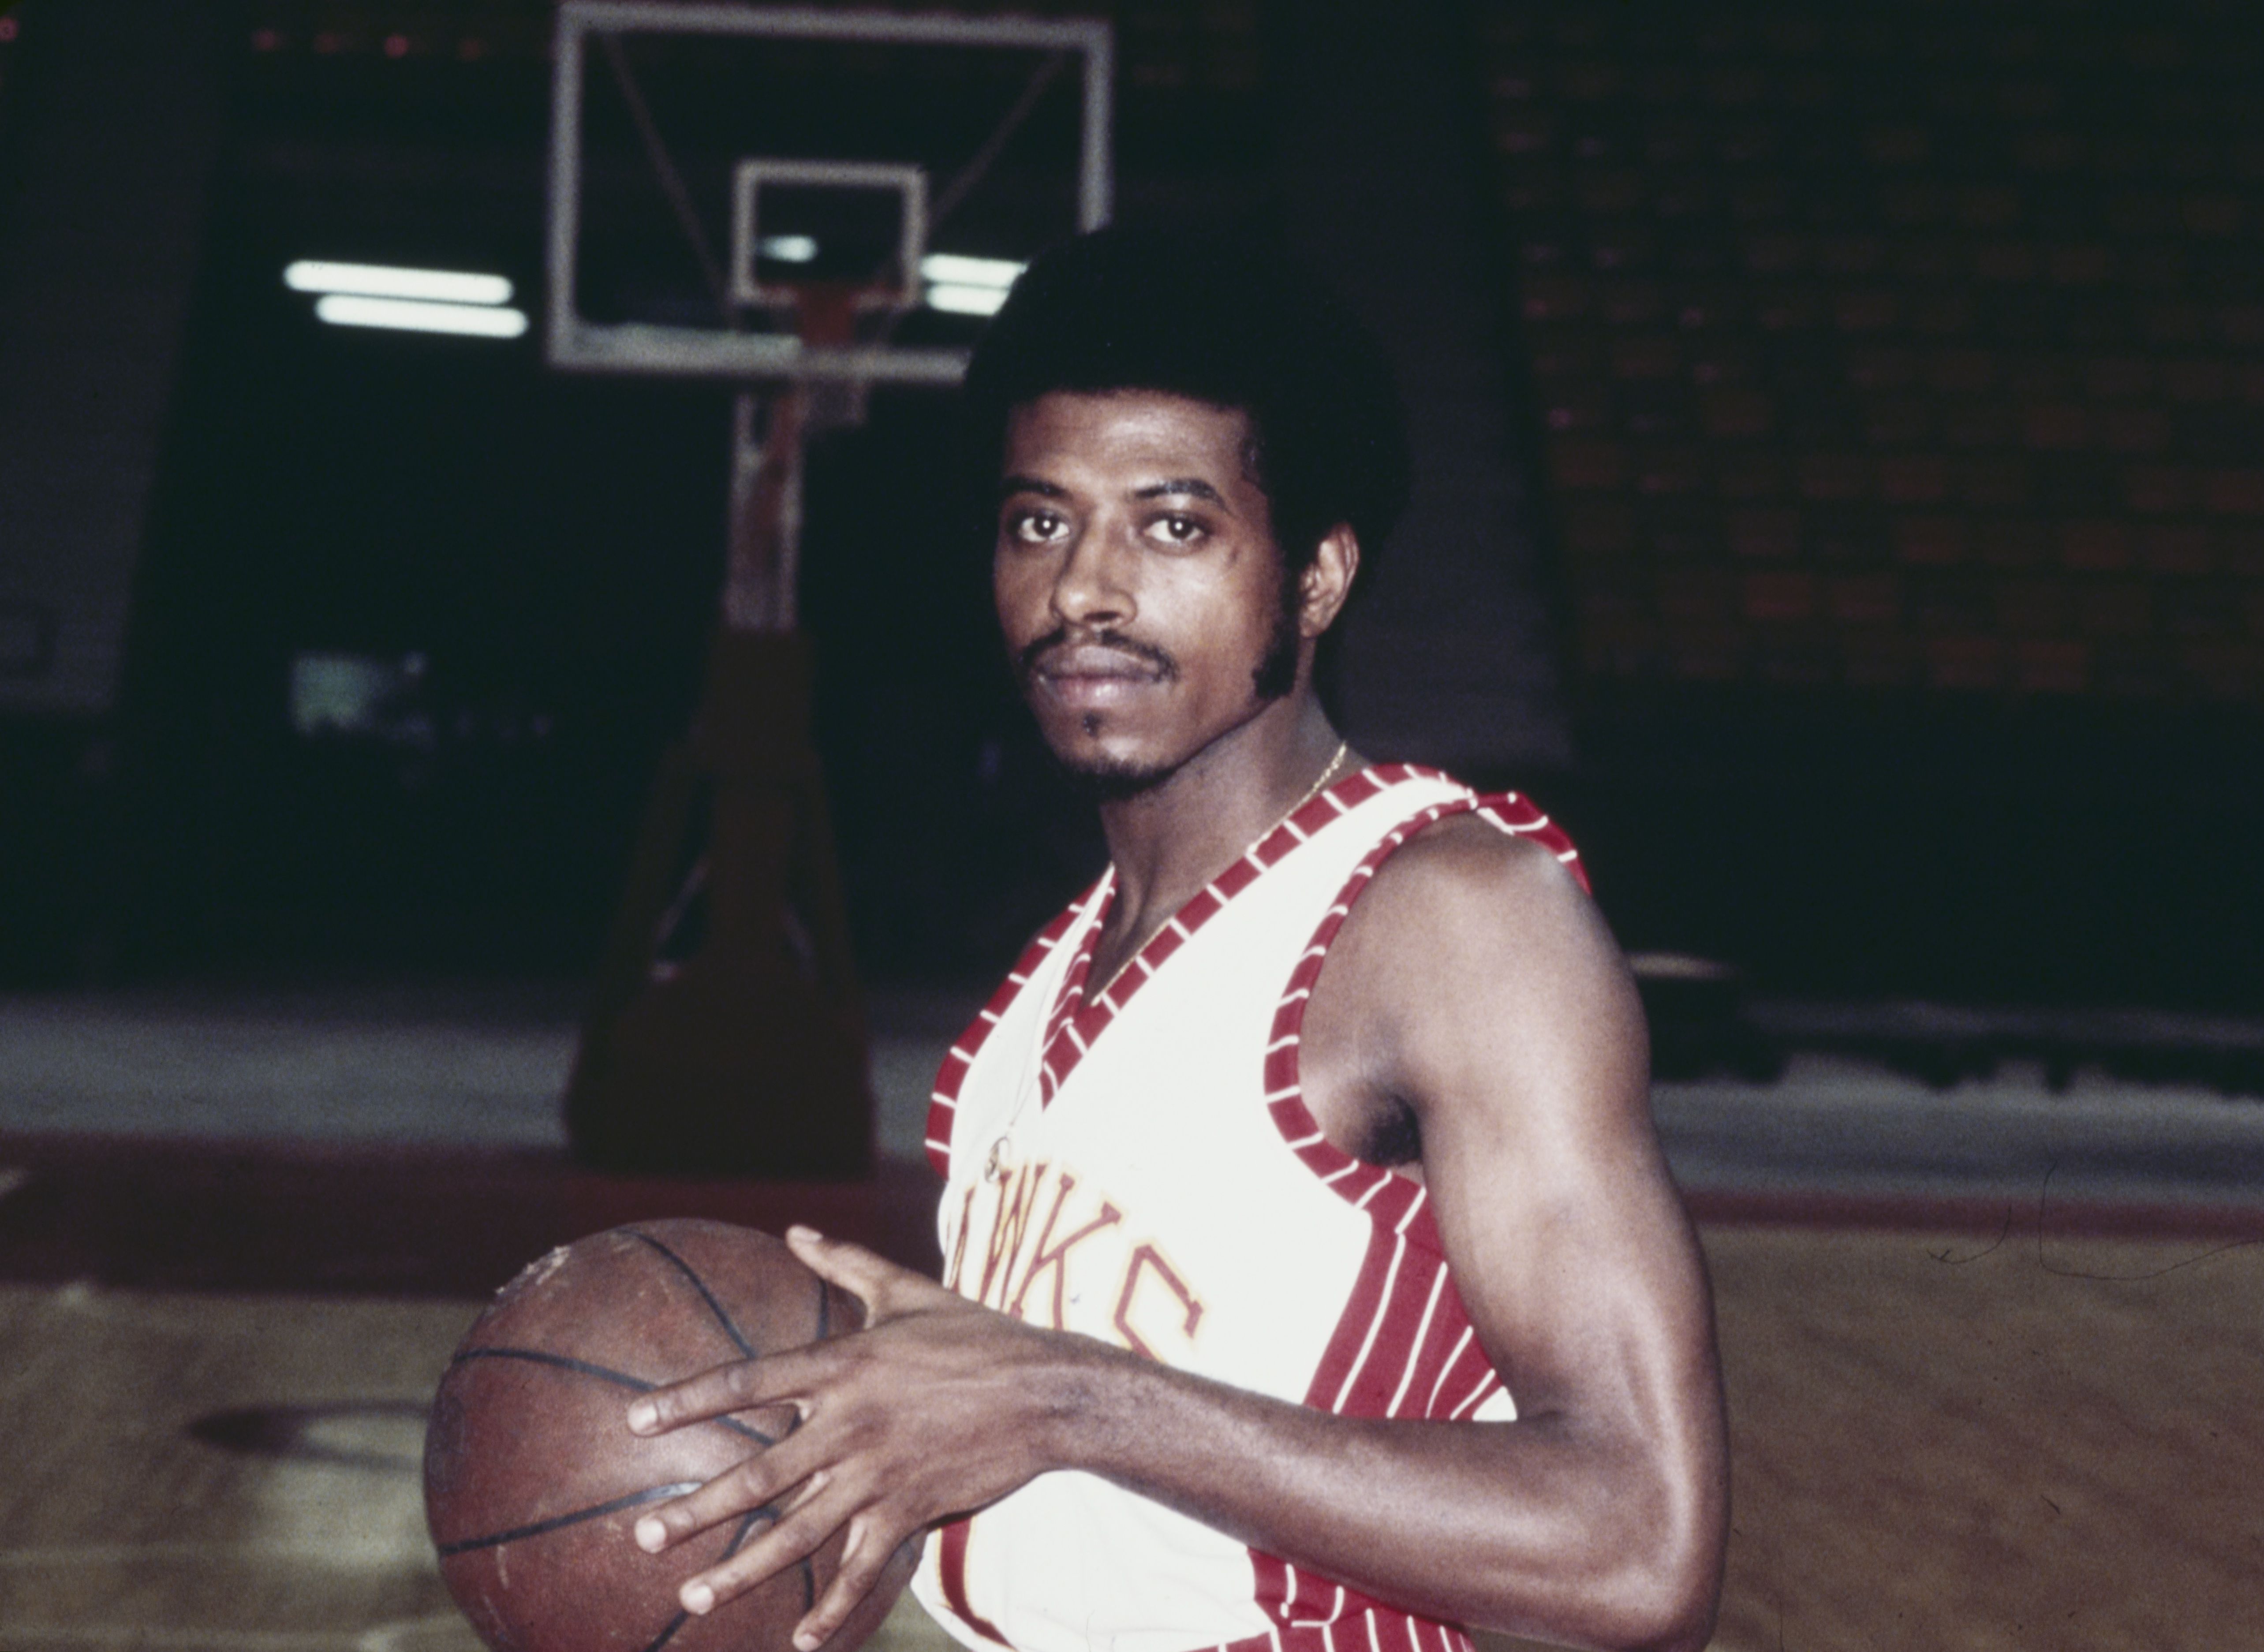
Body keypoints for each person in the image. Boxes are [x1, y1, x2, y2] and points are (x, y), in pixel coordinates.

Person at [623, 227, 1728, 1652]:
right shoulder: (1032, 1006)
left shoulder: (1448, 916)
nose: (1086, 589)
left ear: (1317, 580)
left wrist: (1063, 1394)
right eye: (1041, 522)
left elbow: (1643, 1549)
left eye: (1173, 524)